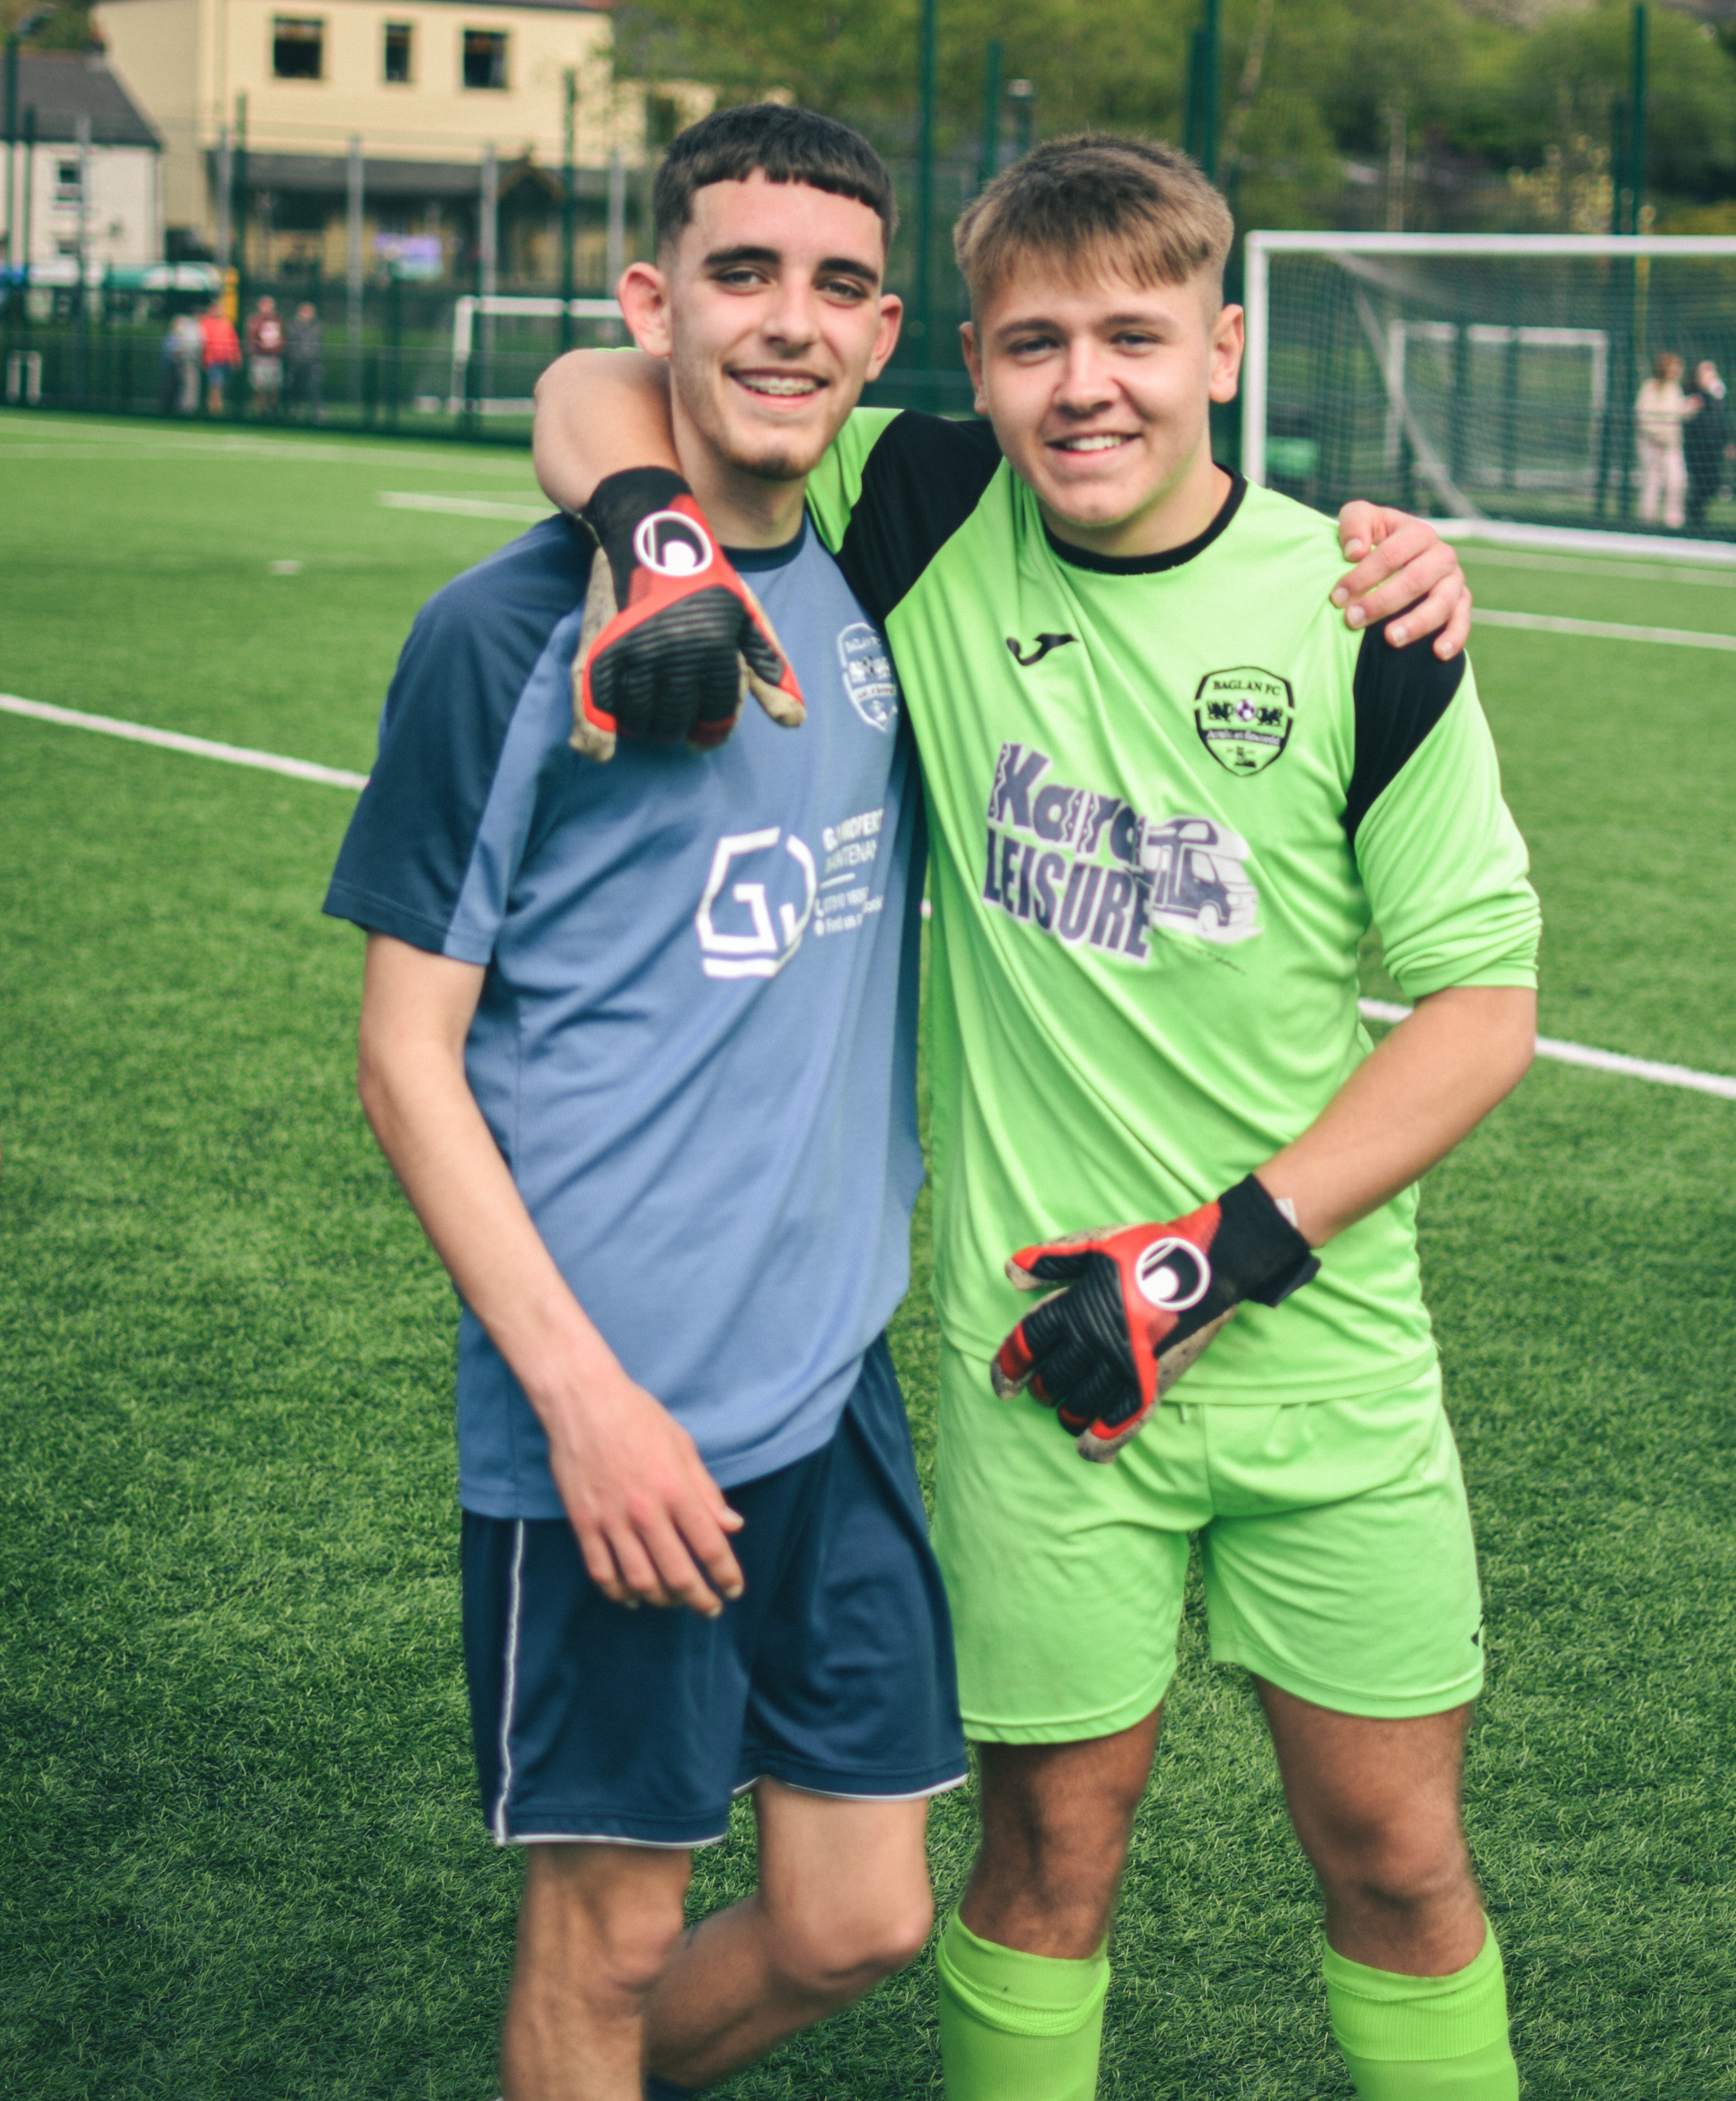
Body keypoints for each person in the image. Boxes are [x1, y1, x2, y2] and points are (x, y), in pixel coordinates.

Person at [337, 105, 1471, 2101]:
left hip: (897, 1385)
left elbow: (1481, 1001)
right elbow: (622, 386)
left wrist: (1228, 1252)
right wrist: (648, 531)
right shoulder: (680, 590)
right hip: (741, 1397)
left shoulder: (1040, 581)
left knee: (874, 1913)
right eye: (1034, 341)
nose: (792, 325)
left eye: (840, 288)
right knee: (685, 1927)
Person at [1634, 348, 1687, 530]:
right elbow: (1643, 416)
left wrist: (1688, 408)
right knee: (1652, 482)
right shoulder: (1650, 387)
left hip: (1671, 445)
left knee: (1677, 481)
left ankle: (1673, 521)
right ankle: (1647, 521)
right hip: (1651, 444)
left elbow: (1677, 412)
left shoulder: (1675, 389)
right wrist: (1657, 435)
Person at [1682, 360, 1734, 534]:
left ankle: (1697, 514)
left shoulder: (1718, 398)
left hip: (1714, 449)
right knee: (1697, 484)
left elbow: (1723, 421)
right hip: (1696, 448)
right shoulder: (1693, 395)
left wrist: (1728, 443)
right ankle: (1694, 518)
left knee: (1712, 484)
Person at [200, 298, 241, 417]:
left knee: (222, 386)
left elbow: (233, 341)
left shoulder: (226, 323)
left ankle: (215, 408)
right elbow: (203, 342)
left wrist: (236, 356)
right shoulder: (205, 322)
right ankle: (215, 411)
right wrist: (205, 358)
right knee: (215, 384)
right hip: (213, 360)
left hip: (226, 360)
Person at [247, 295, 285, 418]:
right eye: (265, 305)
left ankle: (274, 408)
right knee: (259, 386)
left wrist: (279, 349)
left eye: (269, 305)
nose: (267, 308)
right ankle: (262, 411)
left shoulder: (277, 320)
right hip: (260, 357)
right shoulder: (255, 320)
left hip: (274, 358)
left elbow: (283, 337)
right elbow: (251, 338)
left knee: (275, 386)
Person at [162, 305, 203, 416]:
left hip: (188, 360)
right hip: (181, 361)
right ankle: (182, 410)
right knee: (181, 386)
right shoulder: (183, 324)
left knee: (188, 386)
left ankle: (185, 409)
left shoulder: (194, 325)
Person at [286, 302, 324, 421]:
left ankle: (316, 411)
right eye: (305, 311)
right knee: (295, 387)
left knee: (314, 387)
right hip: (297, 362)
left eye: (310, 312)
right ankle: (295, 410)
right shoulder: (294, 324)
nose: (307, 314)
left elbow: (319, 345)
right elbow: (291, 343)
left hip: (312, 362)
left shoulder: (317, 326)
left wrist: (318, 360)